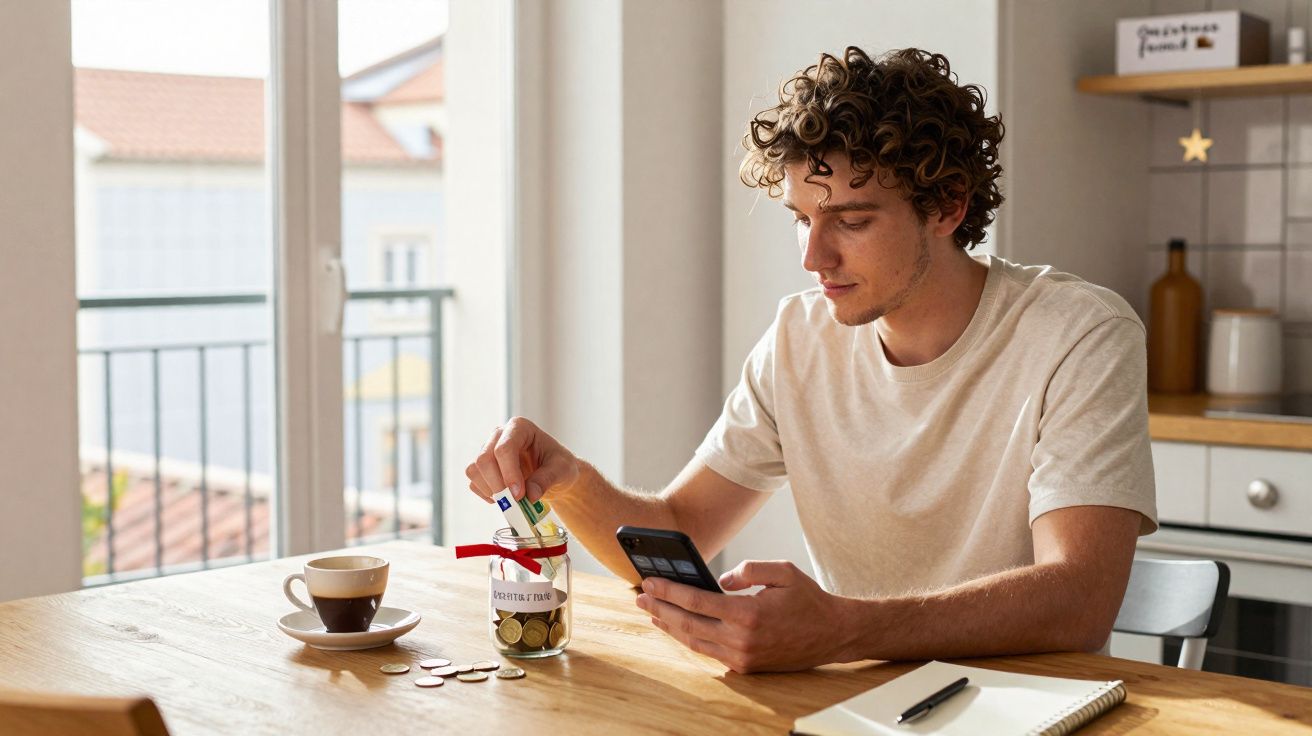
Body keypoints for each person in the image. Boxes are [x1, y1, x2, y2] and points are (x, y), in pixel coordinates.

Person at [464, 46, 1156, 674]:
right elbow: (680, 530)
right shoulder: (800, 336)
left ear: (948, 207)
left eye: (851, 221)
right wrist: (570, 481)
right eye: (802, 217)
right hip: (853, 704)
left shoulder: (1078, 333)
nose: (813, 257)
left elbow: (1079, 598)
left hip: (1029, 704)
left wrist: (843, 631)